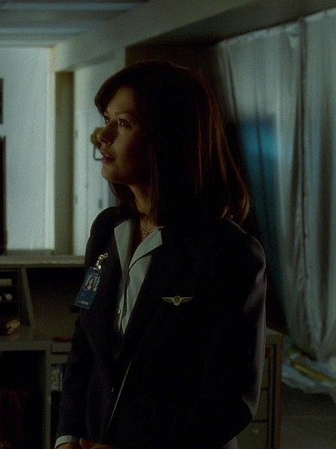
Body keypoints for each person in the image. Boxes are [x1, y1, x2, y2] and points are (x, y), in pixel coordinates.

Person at [54, 60, 267, 449]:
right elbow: (85, 345)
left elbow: (230, 399)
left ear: (168, 139)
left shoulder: (228, 253)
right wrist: (68, 436)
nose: (102, 137)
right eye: (106, 120)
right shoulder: (107, 231)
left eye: (124, 123)